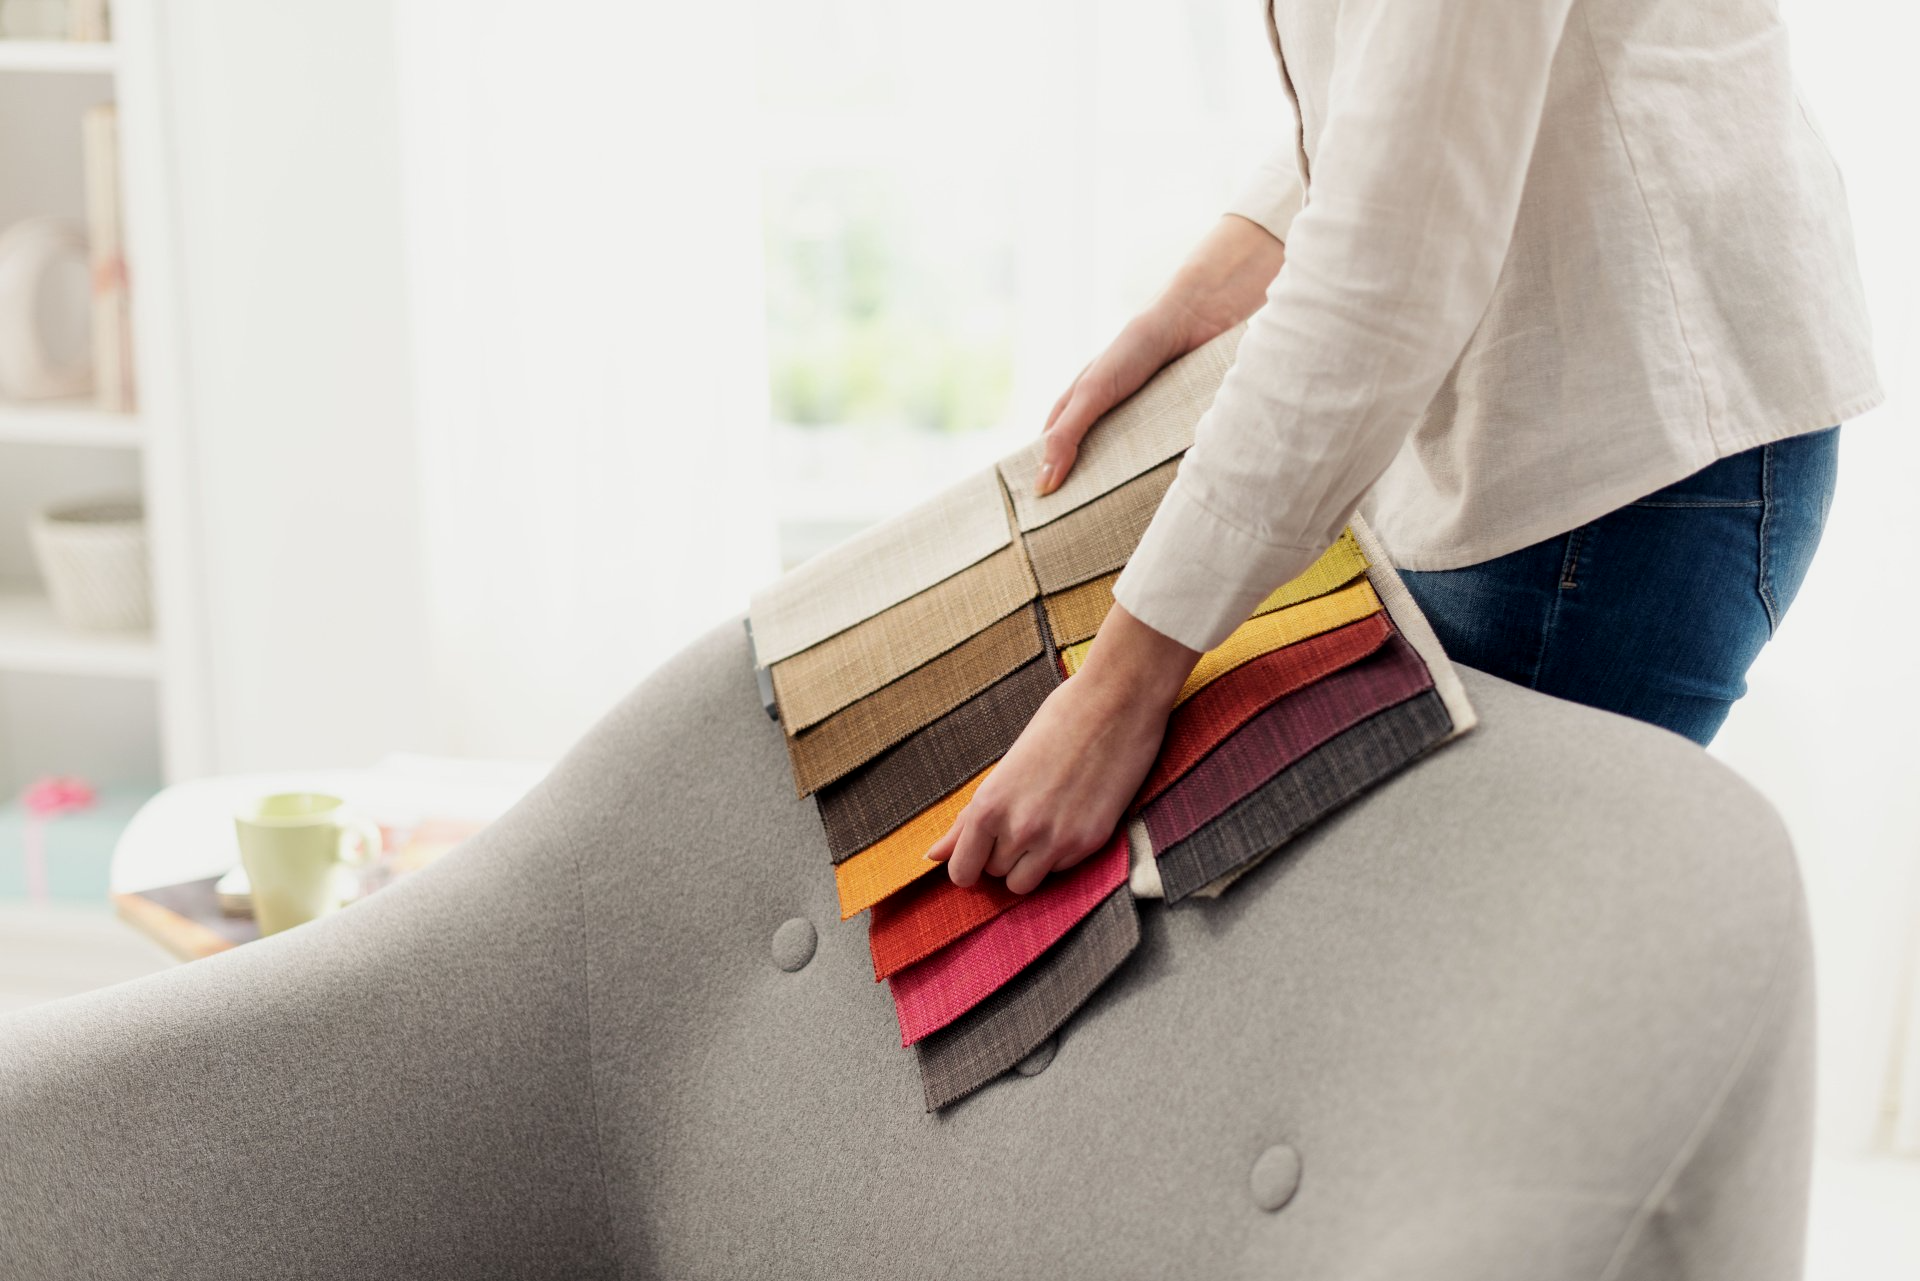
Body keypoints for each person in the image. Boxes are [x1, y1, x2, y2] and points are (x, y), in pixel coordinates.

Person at [928, 0, 1880, 894]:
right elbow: (1408, 92)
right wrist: (1200, 295)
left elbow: (1393, 255)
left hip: (1621, 454)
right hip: (1578, 403)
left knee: (1457, 957)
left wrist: (1115, 692)